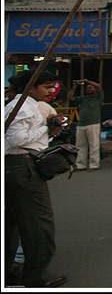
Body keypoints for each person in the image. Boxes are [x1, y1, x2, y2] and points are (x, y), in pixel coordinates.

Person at [5, 69, 68, 288]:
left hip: (17, 168)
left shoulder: (25, 105)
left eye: (52, 87)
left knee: (12, 223)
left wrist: (50, 130)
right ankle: (36, 275)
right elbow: (16, 139)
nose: (51, 91)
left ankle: (8, 272)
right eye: (46, 87)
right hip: (22, 167)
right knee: (38, 224)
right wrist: (45, 127)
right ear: (31, 87)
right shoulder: (22, 107)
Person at [68, 78, 103, 172]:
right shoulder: (83, 99)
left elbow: (99, 86)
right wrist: (74, 86)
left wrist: (86, 81)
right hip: (81, 124)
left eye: (90, 87)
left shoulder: (98, 97)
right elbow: (70, 97)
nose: (88, 88)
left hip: (93, 124)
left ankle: (94, 165)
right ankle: (80, 165)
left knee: (94, 145)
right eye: (87, 87)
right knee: (80, 146)